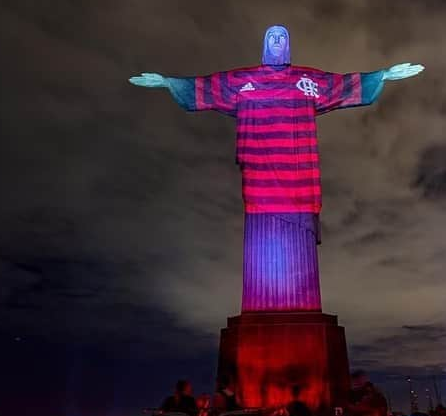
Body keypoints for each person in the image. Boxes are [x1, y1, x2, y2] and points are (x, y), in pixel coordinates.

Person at [129, 26, 424, 315]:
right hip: (260, 183)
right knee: (262, 255)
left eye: (283, 37)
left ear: (288, 45)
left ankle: (298, 305)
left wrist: (381, 75)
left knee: (298, 260)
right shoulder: (245, 80)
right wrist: (169, 83)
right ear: (264, 44)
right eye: (272, 36)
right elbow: (207, 87)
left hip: (298, 181)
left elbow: (341, 85)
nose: (277, 41)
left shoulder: (305, 80)